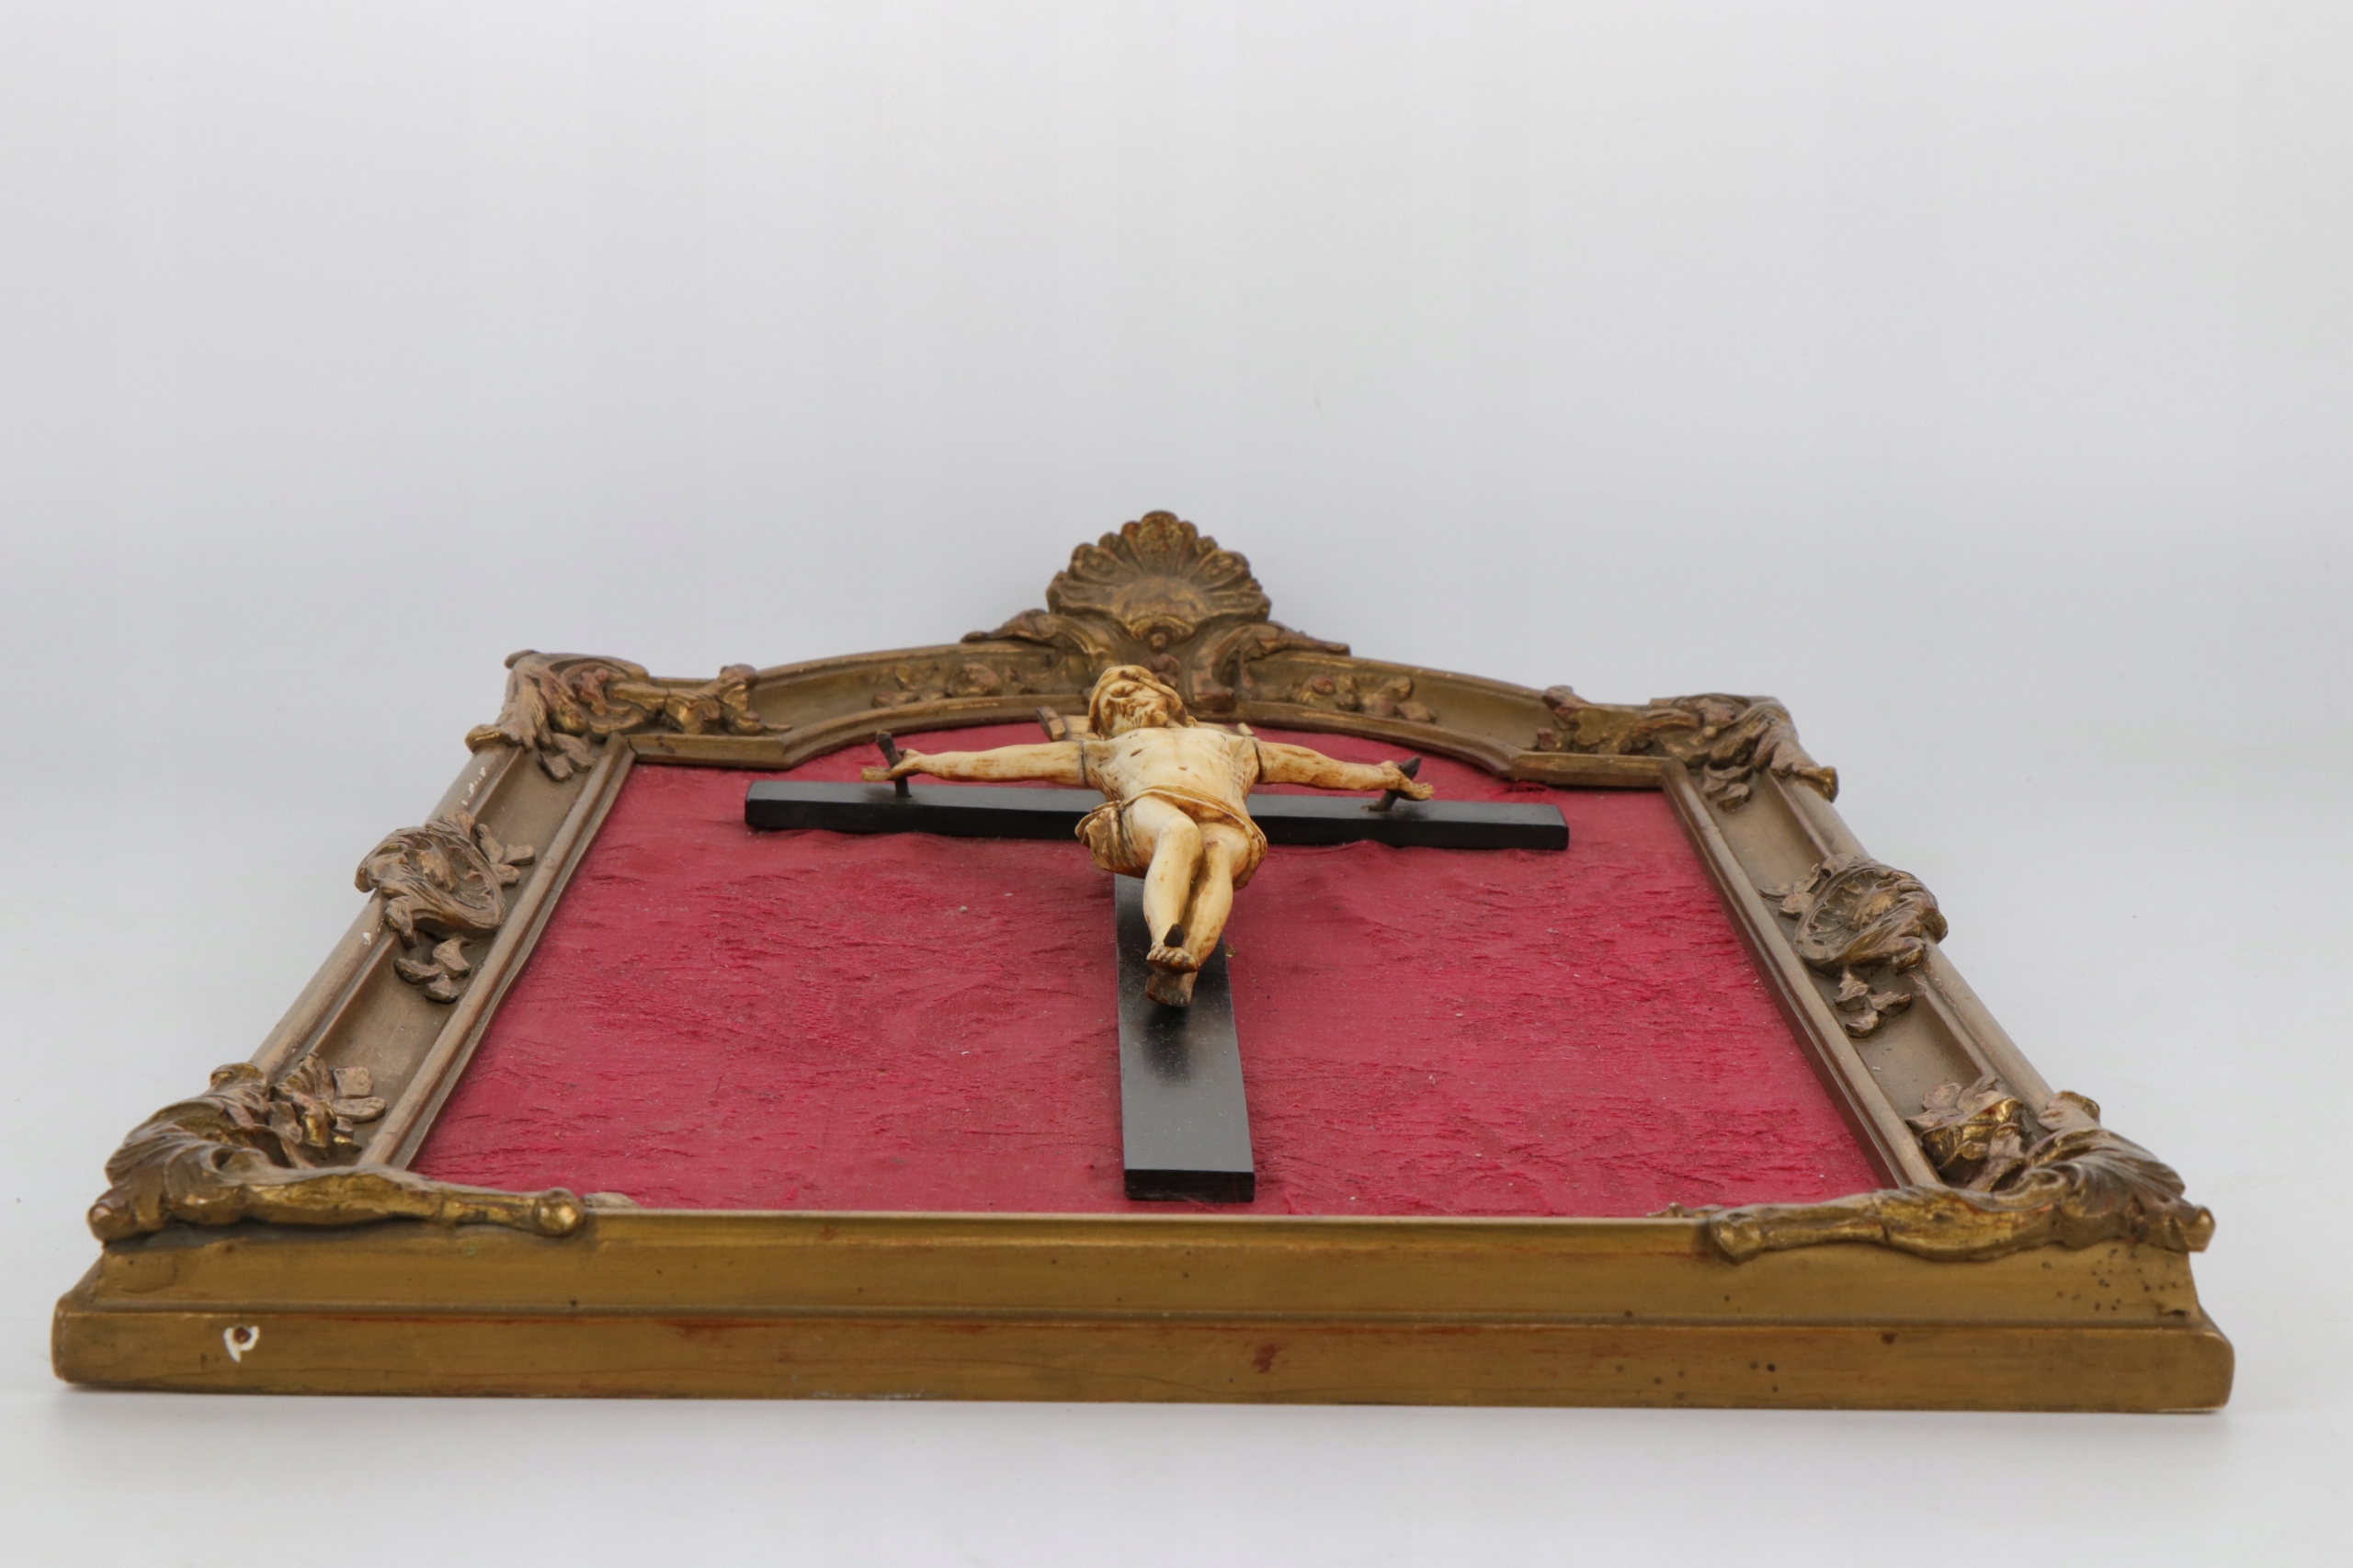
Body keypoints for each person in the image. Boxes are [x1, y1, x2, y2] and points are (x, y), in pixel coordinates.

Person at [865, 664, 1434, 1005]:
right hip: (1148, 811)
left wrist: (1384, 776)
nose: (1126, 701)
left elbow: (1315, 766)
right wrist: (927, 762)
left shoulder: (1233, 745)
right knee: (1179, 835)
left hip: (1229, 818)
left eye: (1134, 690)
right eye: (1113, 703)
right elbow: (1011, 760)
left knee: (1220, 857)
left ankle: (1182, 967)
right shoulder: (1110, 750)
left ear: (1167, 697)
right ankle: (1165, 937)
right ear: (1105, 724)